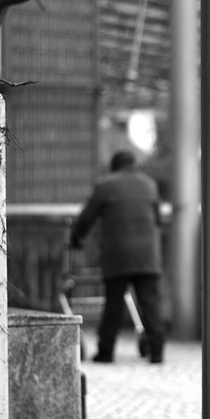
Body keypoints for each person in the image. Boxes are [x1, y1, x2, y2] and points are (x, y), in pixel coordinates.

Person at [71, 150, 165, 363]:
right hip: (147, 256)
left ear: (114, 166)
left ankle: (106, 352)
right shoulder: (150, 184)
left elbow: (86, 218)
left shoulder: (105, 185)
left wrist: (76, 238)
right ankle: (157, 351)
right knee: (150, 303)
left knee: (113, 304)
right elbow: (157, 218)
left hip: (118, 255)